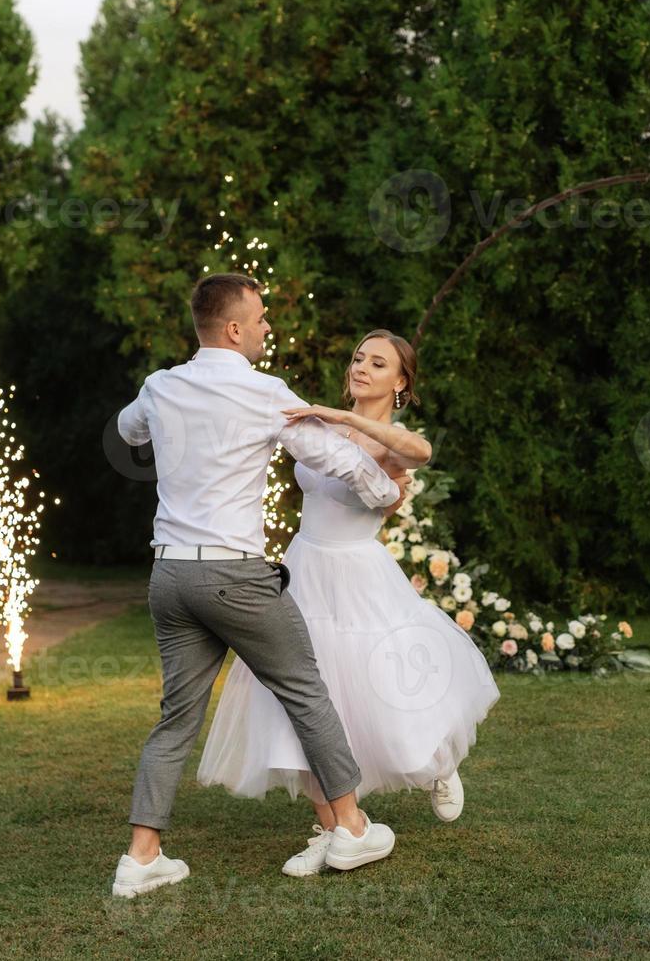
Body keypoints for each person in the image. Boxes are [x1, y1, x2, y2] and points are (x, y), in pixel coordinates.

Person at [110, 274, 408, 898]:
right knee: (306, 691)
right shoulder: (263, 392)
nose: (269, 327)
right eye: (263, 318)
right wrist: (385, 493)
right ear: (235, 328)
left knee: (176, 719)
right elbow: (338, 457)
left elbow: (129, 432)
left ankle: (141, 859)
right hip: (234, 576)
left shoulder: (160, 386)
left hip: (169, 575)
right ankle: (351, 828)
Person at [198, 328, 500, 877]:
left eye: (378, 363)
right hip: (305, 567)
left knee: (390, 687)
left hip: (359, 573)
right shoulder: (318, 423)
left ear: (400, 381)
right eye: (359, 357)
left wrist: (351, 422)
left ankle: (438, 762)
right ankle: (337, 827)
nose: (361, 367)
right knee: (308, 696)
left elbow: (423, 452)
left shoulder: (389, 438)